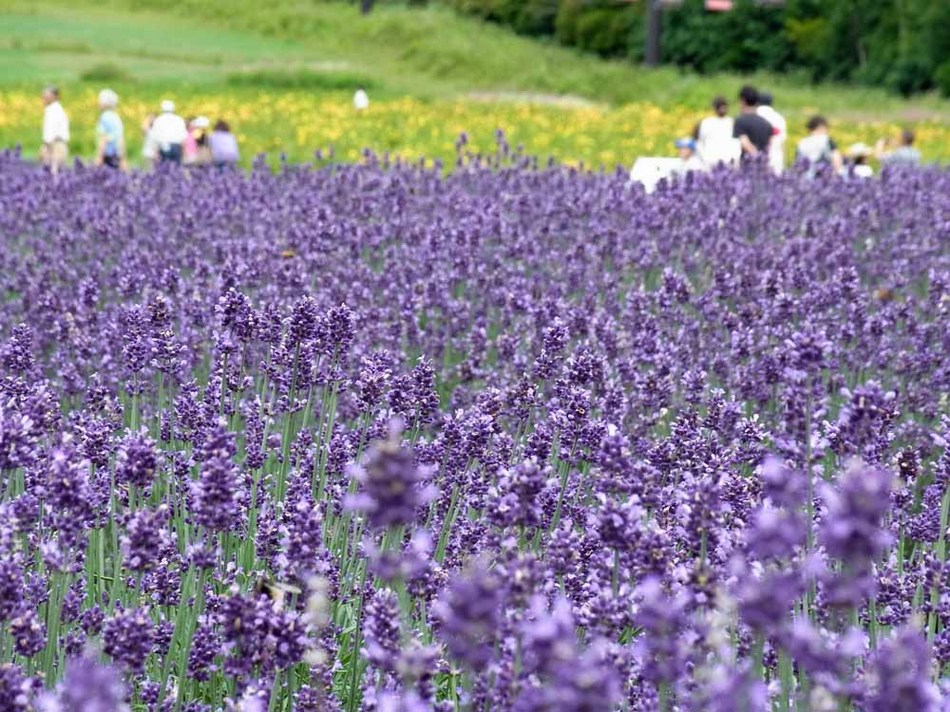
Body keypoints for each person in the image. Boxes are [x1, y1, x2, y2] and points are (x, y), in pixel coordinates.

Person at [733, 86, 773, 162]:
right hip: (764, 165)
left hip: (748, 166)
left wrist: (757, 157)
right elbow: (769, 146)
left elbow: (745, 143)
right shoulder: (766, 123)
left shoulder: (740, 121)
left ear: (743, 101)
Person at [696, 96, 738, 168]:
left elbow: (736, 142)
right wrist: (704, 159)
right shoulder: (707, 122)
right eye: (720, 106)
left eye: (724, 106)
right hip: (711, 161)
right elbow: (700, 142)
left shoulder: (731, 122)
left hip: (728, 161)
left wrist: (735, 159)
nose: (722, 109)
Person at [40, 85, 69, 175]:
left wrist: (47, 148)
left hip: (55, 145)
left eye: (47, 95)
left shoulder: (54, 110)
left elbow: (53, 132)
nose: (44, 97)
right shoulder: (52, 109)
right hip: (54, 144)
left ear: (55, 96)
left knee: (53, 173)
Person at [756, 91, 787, 175]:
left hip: (756, 160)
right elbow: (782, 143)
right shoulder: (779, 118)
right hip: (776, 158)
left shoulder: (754, 116)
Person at [95, 88, 126, 170]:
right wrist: (123, 158)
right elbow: (121, 138)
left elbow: (103, 138)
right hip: (117, 155)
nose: (98, 103)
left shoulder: (104, 117)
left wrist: (99, 157)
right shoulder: (116, 117)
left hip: (107, 156)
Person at [150, 99, 188, 165]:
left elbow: (155, 137)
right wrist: (184, 151)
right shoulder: (178, 119)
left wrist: (155, 151)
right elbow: (183, 137)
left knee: (163, 169)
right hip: (176, 147)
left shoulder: (158, 120)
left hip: (163, 147)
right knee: (176, 168)